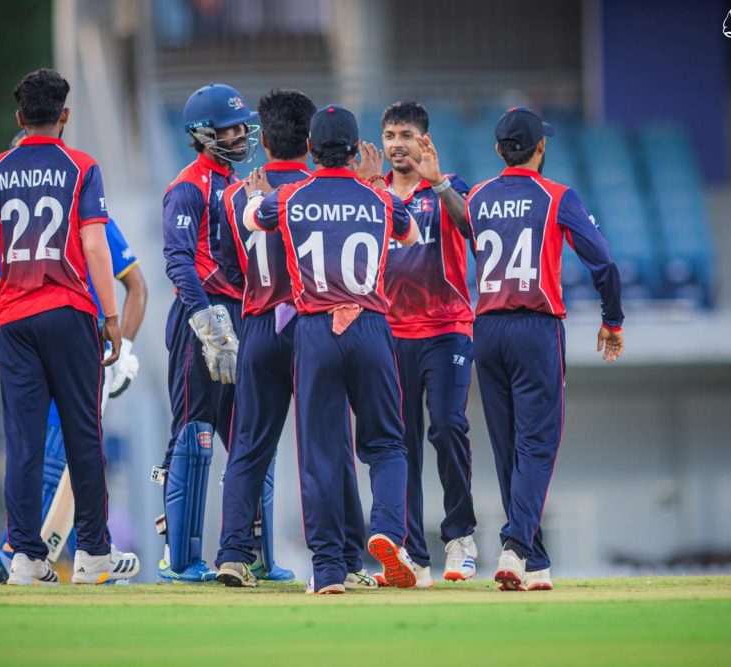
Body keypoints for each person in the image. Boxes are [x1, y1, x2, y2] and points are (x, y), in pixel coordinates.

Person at [0, 131, 147, 582]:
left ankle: (24, 551)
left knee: (47, 451)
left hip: (46, 337)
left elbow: (135, 285)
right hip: (62, 336)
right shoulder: (49, 203)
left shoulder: (65, 205)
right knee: (57, 450)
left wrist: (124, 345)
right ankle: (59, 553)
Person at [0, 68, 138, 585]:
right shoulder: (81, 166)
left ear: (20, 117)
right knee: (84, 435)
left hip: (14, 318)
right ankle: (92, 555)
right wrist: (111, 316)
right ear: (64, 115)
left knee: (23, 442)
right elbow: (94, 245)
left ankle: (25, 557)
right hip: (69, 313)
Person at [243, 105, 421, 594]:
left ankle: (326, 571)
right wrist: (377, 183)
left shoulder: (290, 196)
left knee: (319, 453)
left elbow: (253, 220)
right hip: (370, 326)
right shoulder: (378, 198)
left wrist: (258, 195)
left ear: (310, 149)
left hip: (315, 329)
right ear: (356, 148)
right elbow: (411, 234)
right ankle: (387, 532)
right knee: (387, 443)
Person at [214, 90, 373, 590]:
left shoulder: (236, 196)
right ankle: (347, 559)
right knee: (331, 447)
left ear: (264, 138)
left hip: (259, 325)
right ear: (310, 141)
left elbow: (228, 267)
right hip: (311, 326)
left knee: (247, 445)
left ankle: (233, 554)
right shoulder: (318, 189)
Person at [466, 107, 625, 591]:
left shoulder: (477, 197)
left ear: (498, 150)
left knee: (506, 446)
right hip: (536, 327)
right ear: (540, 147)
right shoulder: (556, 195)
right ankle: (515, 546)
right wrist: (612, 320)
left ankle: (533, 562)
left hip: (486, 327)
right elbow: (603, 261)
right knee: (537, 443)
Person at [157, 83, 259, 583]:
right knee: (192, 436)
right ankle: (179, 557)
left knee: (249, 436)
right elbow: (178, 260)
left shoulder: (237, 184)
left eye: (241, 127)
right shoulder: (188, 186)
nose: (239, 135)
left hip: (239, 313)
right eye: (229, 129)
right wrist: (206, 321)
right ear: (202, 134)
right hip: (200, 320)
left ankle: (247, 554)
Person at [377, 101, 477, 586]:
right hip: (389, 334)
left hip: (446, 329)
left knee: (448, 426)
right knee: (401, 446)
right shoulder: (372, 194)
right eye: (389, 135)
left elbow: (474, 229)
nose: (397, 144)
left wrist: (438, 184)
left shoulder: (449, 186)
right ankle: (414, 556)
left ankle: (460, 538)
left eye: (406, 135)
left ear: (424, 140)